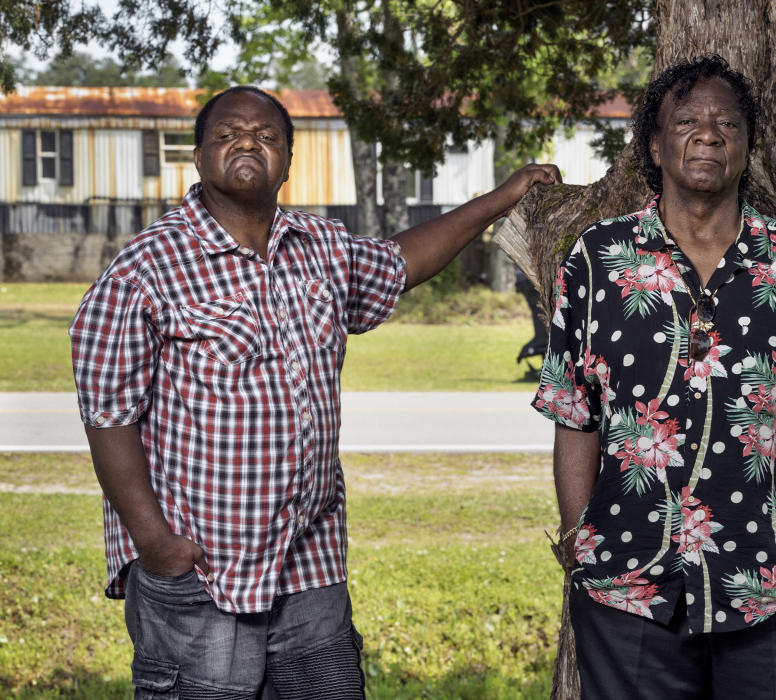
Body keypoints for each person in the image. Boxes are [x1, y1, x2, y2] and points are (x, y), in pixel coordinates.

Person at [70, 85, 560, 698]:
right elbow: (108, 416)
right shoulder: (146, 267)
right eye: (226, 134)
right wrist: (153, 542)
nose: (248, 142)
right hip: (202, 571)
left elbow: (402, 262)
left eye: (267, 136)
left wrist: (500, 198)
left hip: (310, 562)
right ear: (197, 157)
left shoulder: (320, 247)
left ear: (287, 161)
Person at [533, 55, 776, 699]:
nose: (708, 134)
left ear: (745, 145)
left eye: (727, 124)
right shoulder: (599, 258)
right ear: (655, 144)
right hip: (628, 583)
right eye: (687, 121)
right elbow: (575, 413)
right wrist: (575, 539)